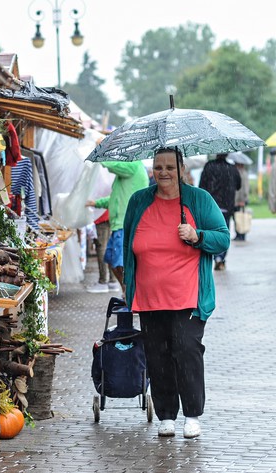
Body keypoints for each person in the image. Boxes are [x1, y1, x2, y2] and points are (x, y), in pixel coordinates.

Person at [123, 147, 229, 439]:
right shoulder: (139, 201)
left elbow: (223, 238)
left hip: (188, 296)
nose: (164, 172)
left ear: (182, 169)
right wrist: (127, 284)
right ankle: (166, 415)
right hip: (149, 296)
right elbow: (128, 243)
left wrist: (198, 236)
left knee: (186, 351)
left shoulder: (198, 199)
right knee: (157, 356)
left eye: (170, 166)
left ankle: (192, 414)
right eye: (158, 167)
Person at [86, 159, 149, 292]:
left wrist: (102, 157)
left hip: (125, 225)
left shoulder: (133, 165)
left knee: (121, 264)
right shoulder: (126, 174)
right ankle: (127, 293)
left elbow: (115, 165)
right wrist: (95, 203)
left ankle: (131, 295)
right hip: (119, 225)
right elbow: (115, 198)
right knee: (112, 260)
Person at [198, 154, 241, 270]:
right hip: (226, 206)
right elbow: (238, 185)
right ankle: (220, 258)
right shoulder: (232, 168)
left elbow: (201, 185)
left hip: (211, 206)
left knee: (211, 232)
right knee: (223, 232)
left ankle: (214, 256)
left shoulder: (209, 166)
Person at [86, 210, 120, 293]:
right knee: (111, 247)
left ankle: (103, 281)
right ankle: (112, 280)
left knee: (101, 248)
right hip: (112, 216)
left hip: (101, 217)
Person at [233, 162, 249, 241]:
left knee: (240, 218)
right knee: (237, 217)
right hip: (236, 200)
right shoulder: (240, 172)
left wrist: (243, 199)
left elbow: (244, 188)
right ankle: (238, 233)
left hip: (240, 200)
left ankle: (241, 234)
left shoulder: (242, 173)